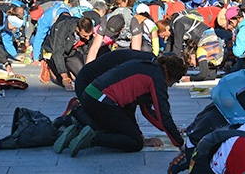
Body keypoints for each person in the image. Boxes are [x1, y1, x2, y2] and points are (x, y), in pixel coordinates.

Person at [54, 50, 186, 156]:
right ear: (172, 75)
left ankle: (79, 125)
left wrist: (170, 130)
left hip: (95, 94)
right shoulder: (157, 78)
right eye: (174, 82)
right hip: (93, 89)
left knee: (120, 130)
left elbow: (145, 109)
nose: (172, 85)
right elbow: (161, 112)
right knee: (134, 142)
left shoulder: (149, 66)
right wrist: (180, 144)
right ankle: (85, 130)